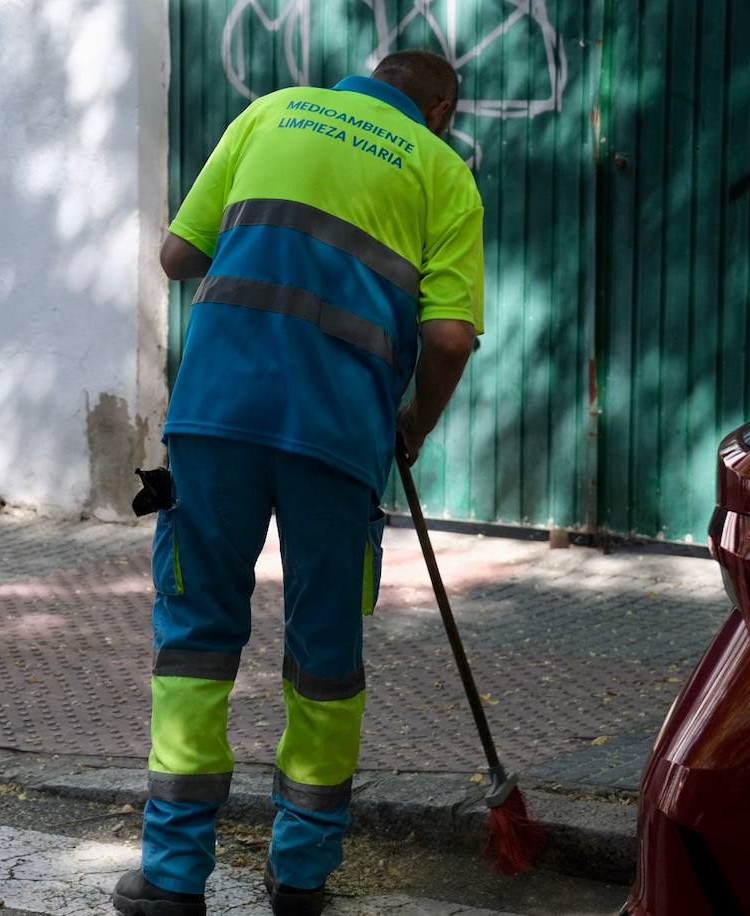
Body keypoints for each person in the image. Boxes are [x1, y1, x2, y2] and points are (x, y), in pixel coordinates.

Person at [113, 49, 484, 916]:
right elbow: (451, 340)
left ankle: (171, 878)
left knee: (196, 643)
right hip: (338, 439)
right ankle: (302, 876)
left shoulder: (269, 112)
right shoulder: (441, 172)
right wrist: (414, 425)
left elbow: (176, 256)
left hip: (214, 422)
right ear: (441, 109)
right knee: (323, 657)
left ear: (367, 78)